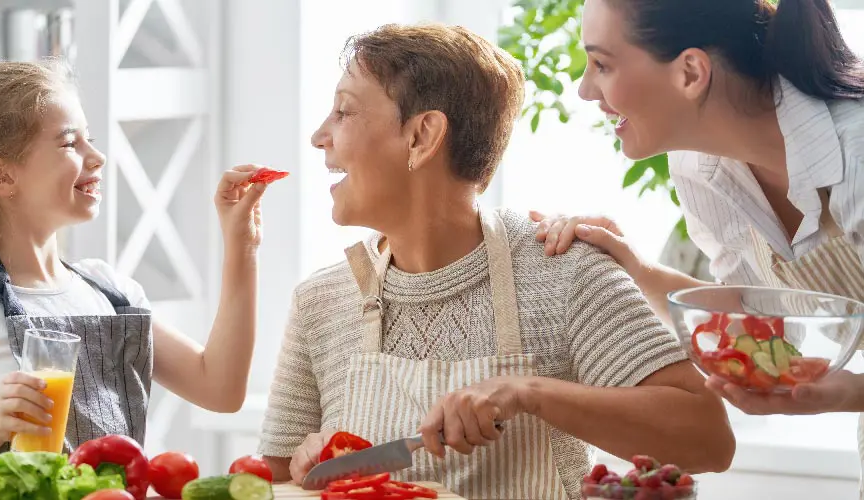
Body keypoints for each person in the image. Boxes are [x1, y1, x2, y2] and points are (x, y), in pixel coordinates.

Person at [257, 23, 734, 500]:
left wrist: (530, 393)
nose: (320, 136)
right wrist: (308, 462)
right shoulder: (321, 301)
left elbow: (709, 440)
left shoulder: (564, 270)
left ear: (422, 136)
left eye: (344, 111)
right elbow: (272, 482)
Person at [534, 0, 864, 495]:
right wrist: (632, 266)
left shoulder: (857, 155)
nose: (584, 90)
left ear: (690, 72)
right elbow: (751, 311)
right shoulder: (701, 170)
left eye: (602, 64)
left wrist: (849, 393)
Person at [0, 59, 272, 454]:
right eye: (70, 143)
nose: (97, 156)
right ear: (2, 177)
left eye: (89, 139)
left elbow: (221, 389)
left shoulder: (111, 294)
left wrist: (242, 247)